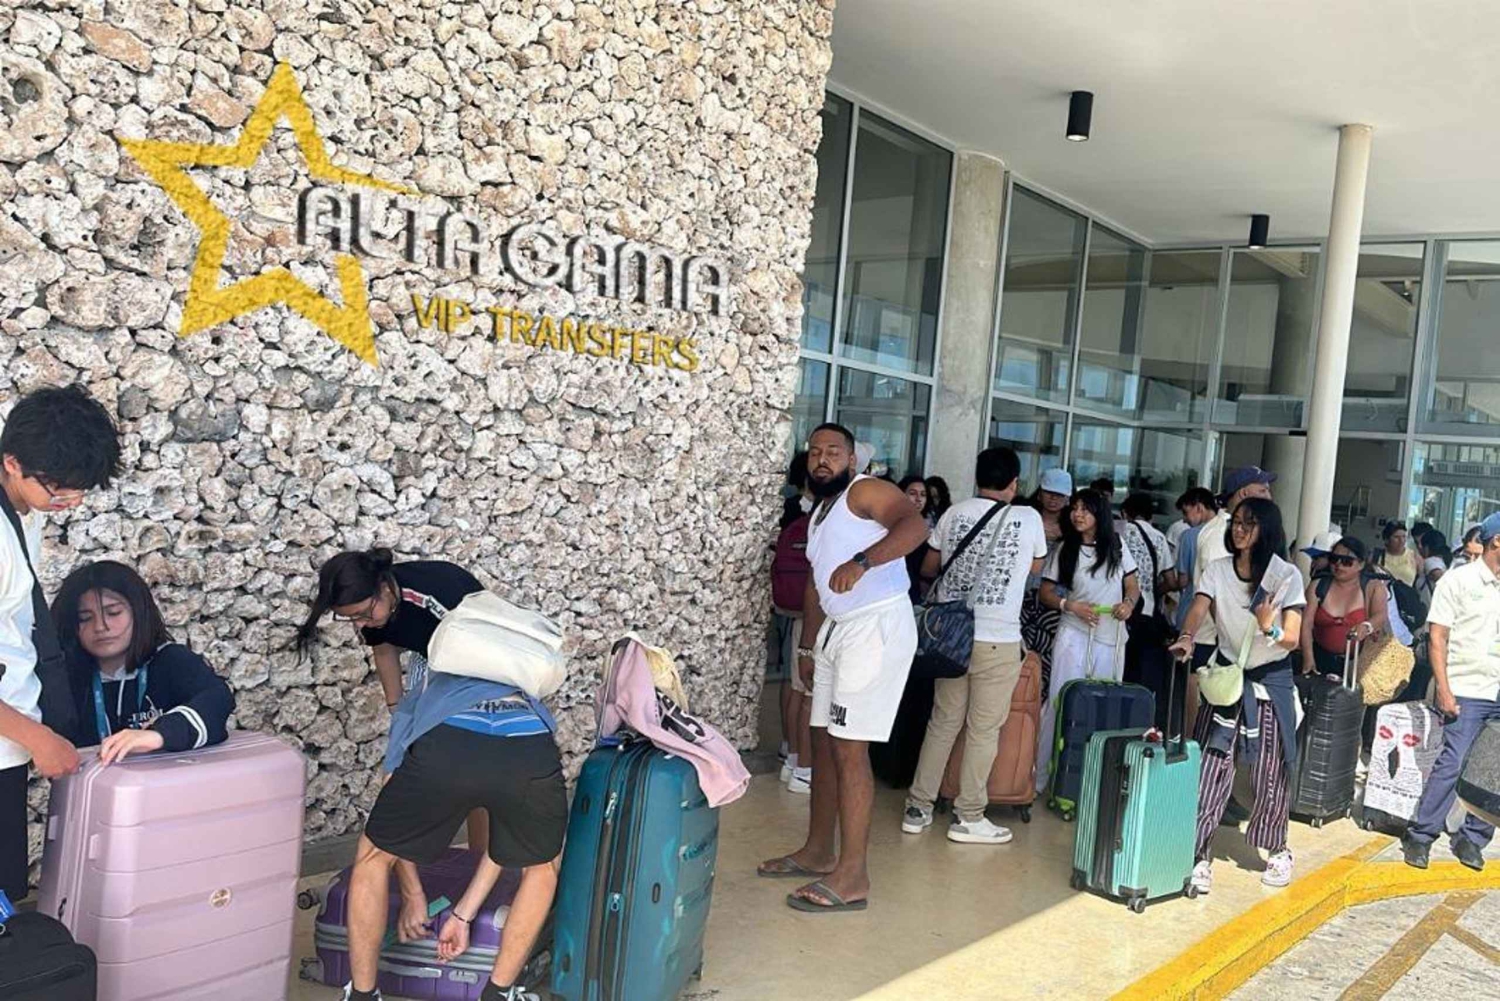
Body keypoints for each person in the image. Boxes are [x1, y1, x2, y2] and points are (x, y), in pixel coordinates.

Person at [758, 423, 927, 913]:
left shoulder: (865, 491)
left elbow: (914, 525)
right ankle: (818, 850)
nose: (822, 459)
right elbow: (816, 585)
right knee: (823, 742)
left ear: (852, 459)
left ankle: (853, 876)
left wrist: (863, 561)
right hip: (836, 632)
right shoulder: (818, 514)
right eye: (815, 451)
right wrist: (808, 648)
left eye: (833, 451)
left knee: (850, 749)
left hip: (875, 627)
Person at [0, 384, 121, 900]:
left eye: (80, 490)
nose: (69, 502)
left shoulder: (21, 508)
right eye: (59, 489)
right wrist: (38, 738)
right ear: (12, 463)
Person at [295, 550, 493, 860]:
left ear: (385, 588)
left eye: (363, 614)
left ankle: (480, 855)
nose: (360, 624)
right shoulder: (373, 610)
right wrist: (397, 712)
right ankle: (415, 854)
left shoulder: (435, 596)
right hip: (429, 655)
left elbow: (480, 656)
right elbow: (384, 651)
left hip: (482, 657)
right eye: (351, 618)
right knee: (415, 752)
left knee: (475, 763)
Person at [902, 447, 1048, 845]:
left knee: (943, 722)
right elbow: (1035, 568)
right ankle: (968, 817)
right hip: (998, 640)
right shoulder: (1028, 518)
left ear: (977, 477)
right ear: (1015, 483)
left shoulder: (953, 513)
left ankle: (918, 808)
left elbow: (929, 568)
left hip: (951, 637)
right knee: (983, 730)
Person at [1171, 497, 1305, 892]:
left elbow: (1292, 638)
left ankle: (1277, 848)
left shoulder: (1285, 575)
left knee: (1268, 769)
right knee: (1212, 765)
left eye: (1249, 523)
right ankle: (1197, 854)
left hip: (1269, 682)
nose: (1239, 529)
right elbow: (1199, 607)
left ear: (1267, 530)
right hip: (1228, 680)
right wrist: (1186, 637)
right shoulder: (1217, 569)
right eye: (1237, 522)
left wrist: (1268, 626)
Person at [51, 561, 234, 762]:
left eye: (113, 613)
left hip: (171, 780)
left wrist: (160, 734)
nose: (100, 627)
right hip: (92, 781)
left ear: (139, 611)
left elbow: (217, 700)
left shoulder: (171, 661)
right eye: (85, 618)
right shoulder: (65, 678)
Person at [1401, 511, 1500, 873]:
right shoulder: (1457, 581)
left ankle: (1473, 838)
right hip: (1467, 688)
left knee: (1495, 768)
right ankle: (1421, 834)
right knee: (1454, 761)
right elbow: (1437, 638)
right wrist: (1444, 689)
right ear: (1497, 541)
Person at [1035, 488, 1139, 793]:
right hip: (1073, 633)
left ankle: (1094, 782)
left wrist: (1128, 605)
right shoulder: (1064, 548)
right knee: (1061, 699)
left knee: (1104, 704)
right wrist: (1070, 606)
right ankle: (1040, 777)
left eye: (1085, 509)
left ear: (1099, 514)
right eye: (1075, 508)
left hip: (1111, 636)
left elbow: (1133, 585)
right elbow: (1045, 593)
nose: (1077, 514)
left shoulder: (1116, 545)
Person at [1298, 536, 1389, 678]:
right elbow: (1306, 624)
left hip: (1359, 663)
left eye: (1347, 561)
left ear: (1361, 564)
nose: (1338, 565)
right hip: (1319, 658)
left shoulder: (1374, 587)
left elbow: (1380, 615)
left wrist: (1366, 626)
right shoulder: (1318, 585)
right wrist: (1308, 659)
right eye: (1334, 559)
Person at [898, 475, 935, 601]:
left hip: (915, 594)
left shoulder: (927, 529)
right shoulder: (890, 524)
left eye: (923, 495)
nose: (918, 499)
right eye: (912, 493)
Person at [1374, 521, 1419, 588]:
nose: (1401, 540)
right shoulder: (1376, 556)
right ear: (1387, 539)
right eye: (1396, 537)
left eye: (1404, 536)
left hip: (1407, 593)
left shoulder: (1414, 556)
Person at [1415, 529, 1451, 604]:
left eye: (1422, 546)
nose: (1420, 548)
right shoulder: (1444, 560)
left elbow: (1437, 574)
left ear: (1427, 547)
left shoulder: (1431, 561)